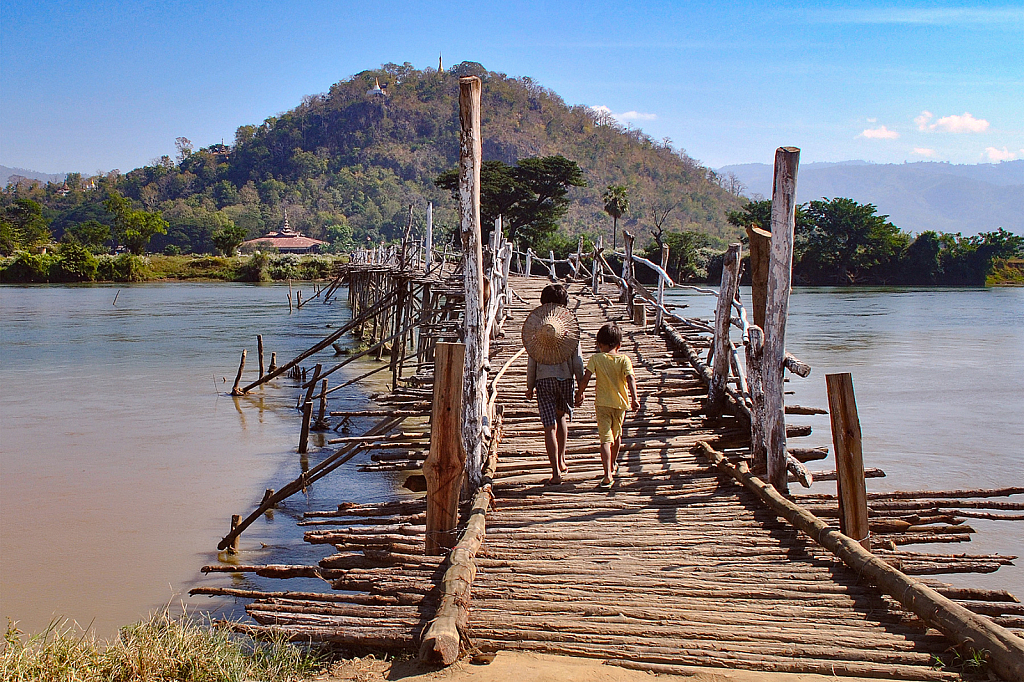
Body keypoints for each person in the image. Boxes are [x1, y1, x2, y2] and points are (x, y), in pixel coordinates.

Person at [524, 284, 584, 485]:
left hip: (543, 381)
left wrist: (529, 386)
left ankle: (555, 472)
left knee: (549, 426)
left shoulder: (537, 329)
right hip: (565, 380)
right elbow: (578, 360)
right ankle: (562, 459)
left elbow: (532, 360)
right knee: (562, 418)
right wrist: (581, 386)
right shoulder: (570, 328)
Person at [574, 323, 640, 489]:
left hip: (602, 404)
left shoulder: (596, 359)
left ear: (599, 344)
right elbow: (630, 379)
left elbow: (586, 378)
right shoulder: (624, 359)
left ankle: (607, 474)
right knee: (616, 436)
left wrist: (580, 393)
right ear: (619, 345)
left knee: (605, 439)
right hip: (620, 405)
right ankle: (613, 463)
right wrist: (635, 398)